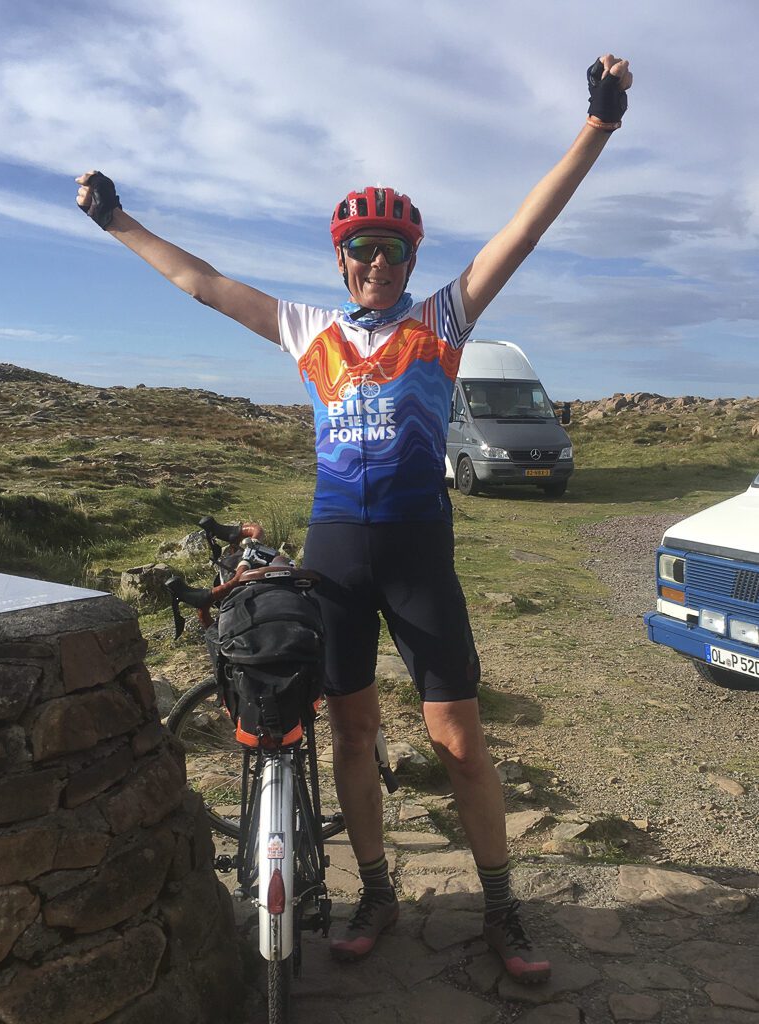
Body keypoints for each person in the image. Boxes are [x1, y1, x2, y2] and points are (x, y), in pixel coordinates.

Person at [75, 54, 632, 983]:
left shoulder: (445, 320)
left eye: (394, 251)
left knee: (458, 738)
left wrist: (597, 125)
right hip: (334, 552)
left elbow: (526, 229)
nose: (377, 263)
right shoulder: (309, 332)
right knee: (352, 734)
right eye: (361, 250)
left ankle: (502, 906)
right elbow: (202, 284)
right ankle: (375, 888)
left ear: (411, 261)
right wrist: (117, 219)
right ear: (340, 259)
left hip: (418, 551)